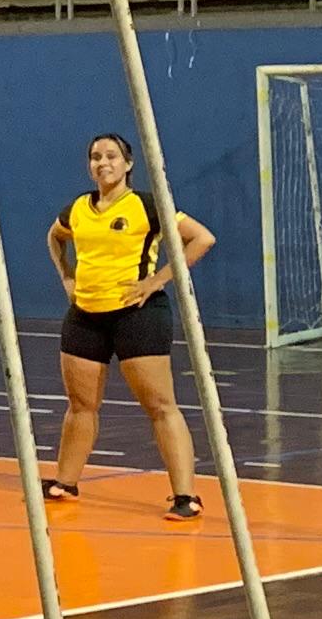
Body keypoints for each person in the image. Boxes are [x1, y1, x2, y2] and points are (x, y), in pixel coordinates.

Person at [45, 132, 216, 523]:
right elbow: (55, 238)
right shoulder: (77, 209)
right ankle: (66, 482)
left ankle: (186, 496)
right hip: (85, 315)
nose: (102, 163)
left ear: (128, 163)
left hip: (136, 315)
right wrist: (67, 278)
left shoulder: (146, 205)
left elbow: (201, 238)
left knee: (159, 405)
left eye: (110, 156)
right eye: (95, 157)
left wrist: (157, 281)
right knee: (81, 405)